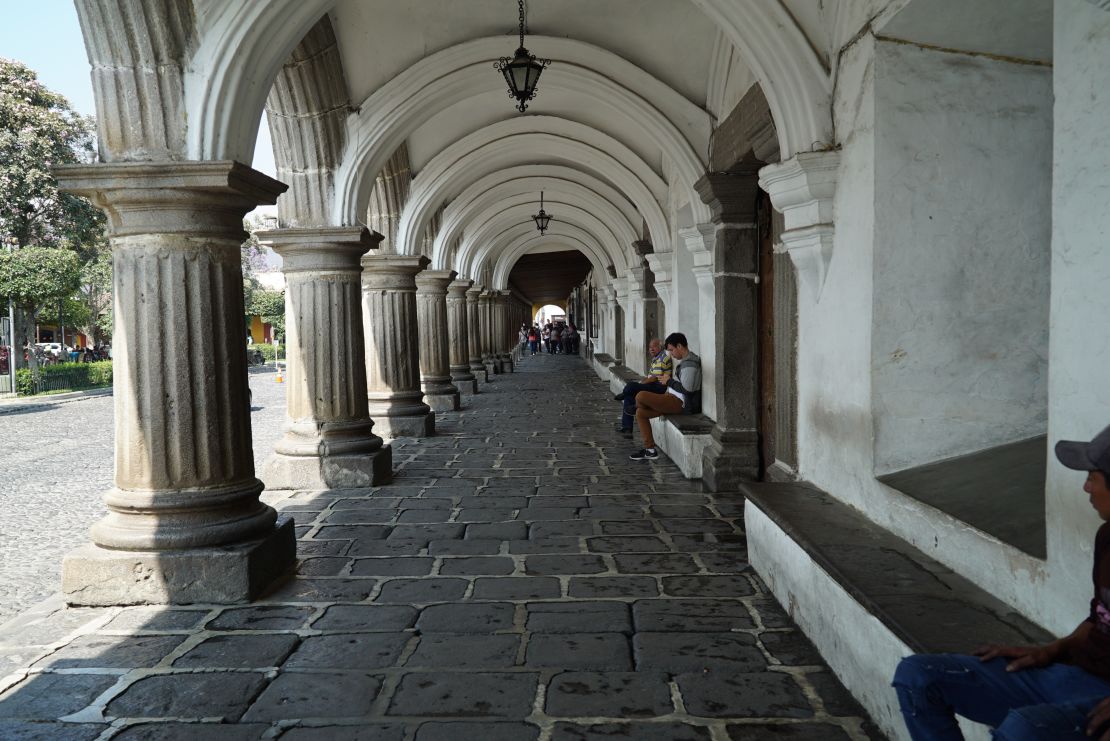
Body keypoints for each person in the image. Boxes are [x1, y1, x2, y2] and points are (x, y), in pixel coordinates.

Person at [893, 423, 1110, 740]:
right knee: (918, 676)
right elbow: (1099, 618)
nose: (1086, 488)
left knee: (1022, 730)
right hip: (1073, 676)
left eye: (1092, 477)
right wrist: (1050, 650)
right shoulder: (1107, 537)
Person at [628, 332, 701, 460]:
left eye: (672, 350)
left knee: (640, 396)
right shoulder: (685, 361)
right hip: (671, 398)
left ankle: (636, 405)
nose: (671, 354)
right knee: (641, 413)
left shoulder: (690, 364)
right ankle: (650, 450)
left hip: (679, 403)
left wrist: (669, 381)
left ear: (679, 346)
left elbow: (687, 390)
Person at [614, 338, 672, 436]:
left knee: (630, 385)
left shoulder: (663, 358)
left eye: (654, 346)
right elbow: (649, 377)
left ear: (660, 347)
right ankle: (627, 428)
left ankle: (624, 393)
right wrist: (642, 383)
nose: (651, 349)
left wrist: (641, 385)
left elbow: (654, 378)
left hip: (658, 388)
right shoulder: (656, 359)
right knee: (629, 396)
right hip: (652, 385)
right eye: (650, 347)